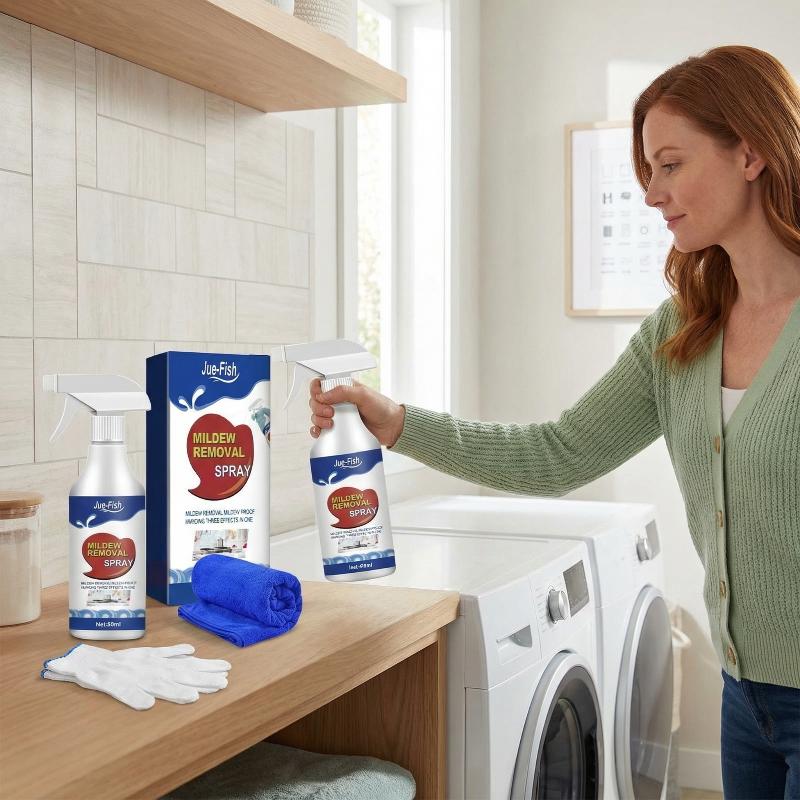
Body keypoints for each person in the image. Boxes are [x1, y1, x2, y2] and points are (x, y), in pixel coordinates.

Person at [308, 45, 800, 799]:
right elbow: (557, 454)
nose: (652, 193)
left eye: (671, 165)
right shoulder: (681, 333)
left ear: (751, 153)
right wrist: (398, 422)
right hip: (745, 701)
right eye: (648, 170)